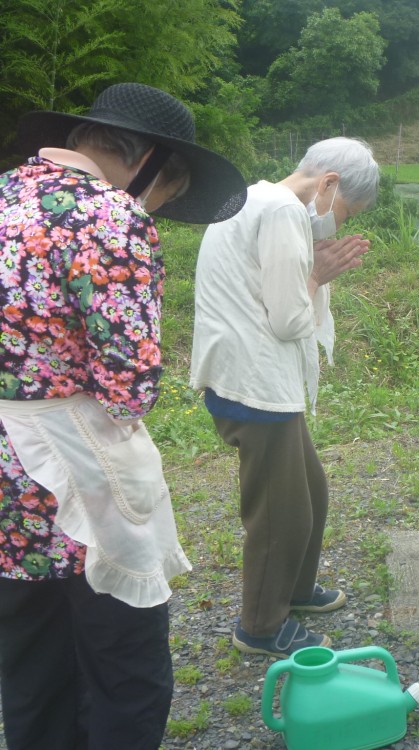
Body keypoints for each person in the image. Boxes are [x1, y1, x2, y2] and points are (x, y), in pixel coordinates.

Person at [0, 82, 247, 750]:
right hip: (77, 469)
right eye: (162, 197)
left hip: (7, 477)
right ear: (147, 165)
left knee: (30, 663)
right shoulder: (107, 216)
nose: (152, 211)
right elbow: (127, 386)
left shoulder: (5, 193)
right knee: (124, 665)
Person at [190, 137, 378, 658]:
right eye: (346, 211)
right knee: (280, 513)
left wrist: (311, 272)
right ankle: (260, 626)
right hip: (254, 384)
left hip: (250, 376)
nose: (340, 224)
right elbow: (290, 317)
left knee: (310, 492)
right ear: (329, 184)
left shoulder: (255, 197)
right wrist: (318, 275)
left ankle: (294, 590)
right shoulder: (281, 213)